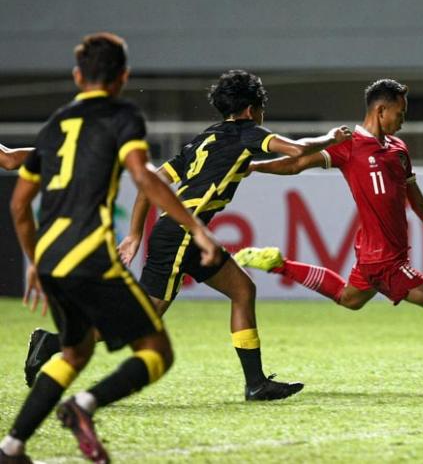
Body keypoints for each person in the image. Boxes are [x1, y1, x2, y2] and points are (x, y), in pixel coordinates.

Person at [25, 70, 351, 402]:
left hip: (187, 235)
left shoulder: (203, 139)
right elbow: (295, 150)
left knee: (242, 290)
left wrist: (135, 233)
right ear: (252, 109)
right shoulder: (248, 132)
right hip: (180, 236)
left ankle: (256, 384)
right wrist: (331, 137)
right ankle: (51, 343)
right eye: (261, 108)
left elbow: (151, 183)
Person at [1, 33, 221, 463]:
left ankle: (11, 447)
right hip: (91, 256)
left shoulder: (56, 124)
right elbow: (143, 176)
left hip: (52, 259)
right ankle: (83, 406)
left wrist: (35, 259)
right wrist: (195, 227)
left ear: (76, 76)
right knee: (157, 352)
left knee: (75, 352)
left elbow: (19, 204)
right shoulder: (122, 116)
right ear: (124, 77)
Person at [234, 79, 423, 385]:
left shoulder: (399, 150)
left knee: (349, 298)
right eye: (400, 114)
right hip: (383, 259)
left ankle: (277, 263)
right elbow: (296, 164)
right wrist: (254, 167)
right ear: (381, 111)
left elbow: (418, 201)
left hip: (378, 254)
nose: (403, 121)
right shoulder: (348, 145)